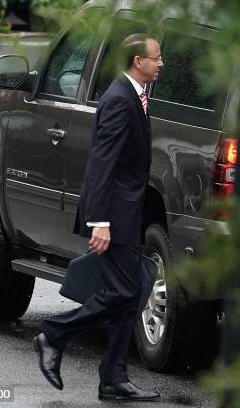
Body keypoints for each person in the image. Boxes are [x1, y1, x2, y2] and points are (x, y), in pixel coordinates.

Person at [32, 33, 163, 402]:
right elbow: (101, 164)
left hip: (127, 213)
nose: (161, 63)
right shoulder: (121, 99)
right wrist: (100, 221)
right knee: (123, 290)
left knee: (129, 292)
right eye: (157, 57)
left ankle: (113, 378)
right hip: (114, 216)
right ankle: (52, 334)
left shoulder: (134, 95)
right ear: (138, 61)